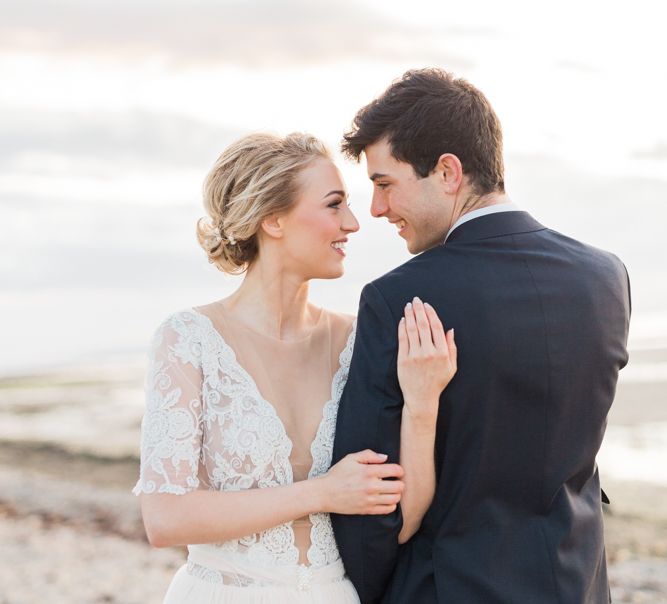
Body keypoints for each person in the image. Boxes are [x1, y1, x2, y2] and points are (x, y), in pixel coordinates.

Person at [331, 68, 631, 604]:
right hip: (577, 583)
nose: (376, 209)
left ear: (448, 171)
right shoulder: (607, 278)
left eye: (383, 185)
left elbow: (374, 501)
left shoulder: (399, 299)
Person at [132, 132, 457, 603]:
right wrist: (323, 493)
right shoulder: (188, 339)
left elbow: (404, 519)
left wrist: (423, 404)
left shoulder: (357, 342)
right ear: (273, 220)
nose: (353, 222)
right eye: (333, 205)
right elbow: (165, 520)